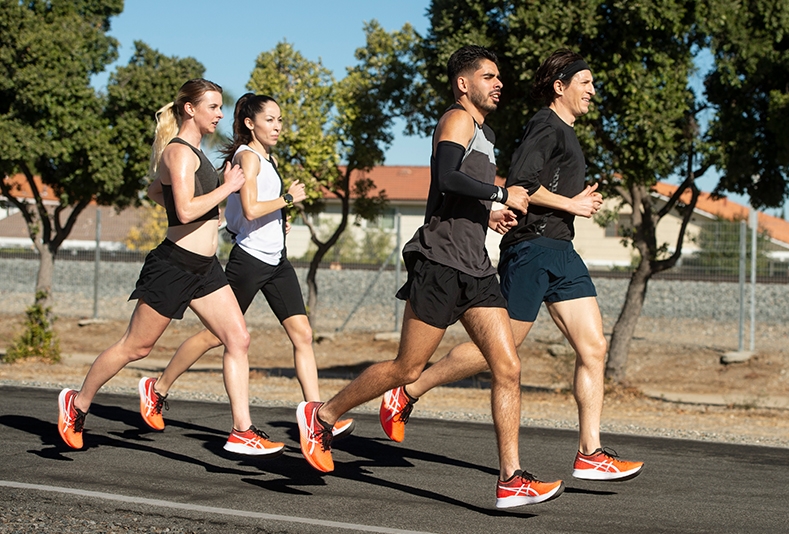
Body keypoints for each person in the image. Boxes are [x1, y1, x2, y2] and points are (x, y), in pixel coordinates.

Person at [295, 45, 565, 510]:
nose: (499, 83)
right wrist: (502, 190)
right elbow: (446, 177)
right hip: (439, 261)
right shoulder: (456, 119)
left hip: (475, 264)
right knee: (407, 368)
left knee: (508, 367)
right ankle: (322, 416)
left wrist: (491, 212)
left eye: (499, 77)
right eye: (488, 76)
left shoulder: (486, 132)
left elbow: (466, 192)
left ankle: (510, 478)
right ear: (464, 83)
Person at [379, 49, 644, 482]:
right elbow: (521, 184)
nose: (593, 91)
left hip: (562, 249)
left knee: (594, 347)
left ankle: (590, 452)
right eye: (586, 83)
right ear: (560, 87)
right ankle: (408, 391)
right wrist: (571, 204)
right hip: (533, 249)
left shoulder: (569, 133)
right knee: (503, 351)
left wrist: (569, 208)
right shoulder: (546, 124)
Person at [57, 79, 283, 456]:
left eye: (220, 107)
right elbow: (184, 210)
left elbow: (156, 190)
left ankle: (242, 430)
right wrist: (227, 188)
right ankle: (77, 404)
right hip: (174, 266)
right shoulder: (179, 153)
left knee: (238, 339)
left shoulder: (194, 152)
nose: (220, 114)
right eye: (212, 106)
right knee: (136, 347)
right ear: (190, 109)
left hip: (205, 268)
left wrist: (211, 197)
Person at [137, 93, 353, 447]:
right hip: (250, 261)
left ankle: (317, 414)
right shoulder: (247, 158)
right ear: (250, 123)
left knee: (303, 335)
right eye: (270, 119)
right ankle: (157, 387)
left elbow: (246, 213)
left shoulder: (268, 158)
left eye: (280, 120)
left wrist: (279, 220)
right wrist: (288, 201)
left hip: (276, 260)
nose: (278, 126)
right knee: (215, 336)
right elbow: (250, 208)